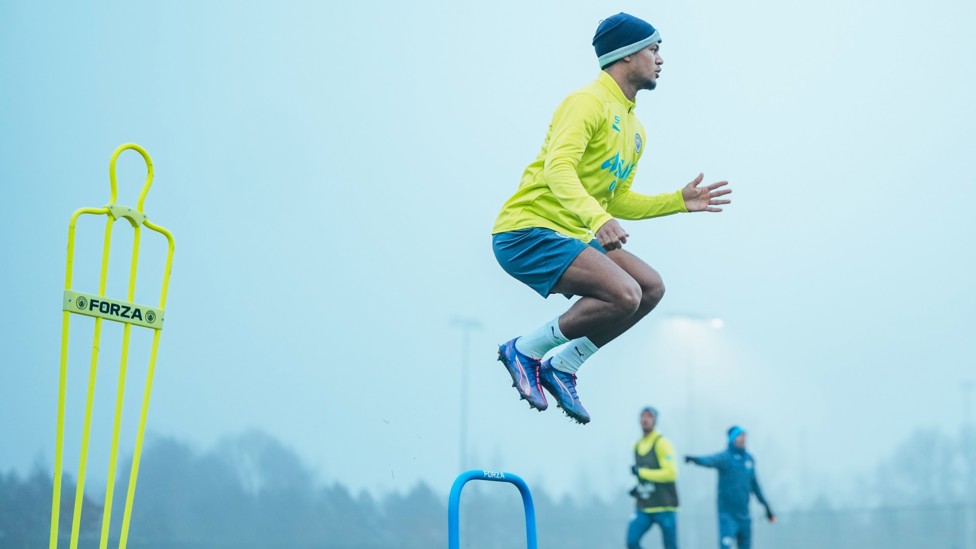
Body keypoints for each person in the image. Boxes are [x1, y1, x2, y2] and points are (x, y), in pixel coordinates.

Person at [492, 12, 732, 424]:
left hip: (569, 234)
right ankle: (526, 349)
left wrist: (677, 200)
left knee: (650, 288)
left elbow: (617, 198)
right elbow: (557, 169)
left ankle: (563, 365)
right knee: (624, 293)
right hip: (526, 230)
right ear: (625, 55)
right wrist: (597, 218)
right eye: (654, 49)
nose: (660, 59)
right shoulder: (586, 102)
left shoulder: (635, 128)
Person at [685, 426, 775, 549]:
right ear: (732, 439)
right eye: (740, 436)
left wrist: (766, 506)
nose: (743, 438)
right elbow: (710, 460)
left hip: (745, 516)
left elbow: (755, 485)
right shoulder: (725, 457)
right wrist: (695, 460)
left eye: (744, 436)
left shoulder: (749, 459)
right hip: (727, 516)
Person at [626, 406, 679, 549]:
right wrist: (636, 488)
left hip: (665, 506)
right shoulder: (636, 445)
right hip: (644, 506)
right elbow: (642, 476)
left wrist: (642, 473)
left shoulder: (663, 443)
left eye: (649, 416)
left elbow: (671, 473)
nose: (645, 419)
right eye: (643, 416)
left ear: (655, 420)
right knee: (632, 541)